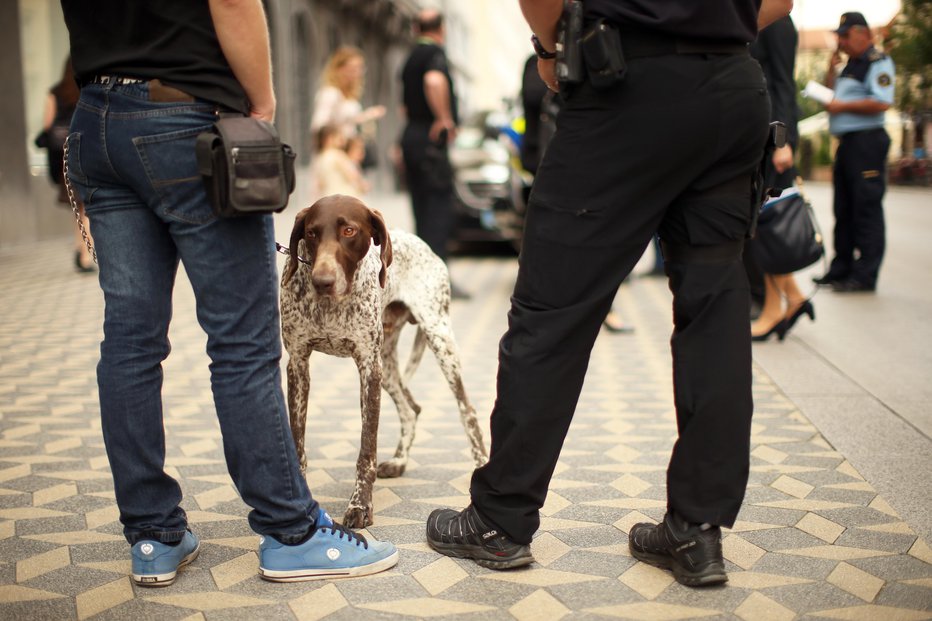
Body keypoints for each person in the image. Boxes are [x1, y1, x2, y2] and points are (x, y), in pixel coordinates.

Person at [425, 0, 792, 587]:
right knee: (716, 308)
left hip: (625, 87)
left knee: (552, 311)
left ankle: (501, 518)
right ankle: (697, 529)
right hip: (731, 91)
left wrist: (549, 49)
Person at [59, 0, 397, 587]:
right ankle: (291, 533)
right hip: (187, 120)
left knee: (130, 343)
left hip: (95, 121)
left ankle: (152, 537)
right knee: (242, 344)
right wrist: (260, 102)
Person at [521, 54, 633, 334]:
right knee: (555, 233)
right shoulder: (537, 61)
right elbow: (533, 101)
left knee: (596, 230)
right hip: (551, 155)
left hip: (591, 151)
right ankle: (557, 306)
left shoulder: (591, 48)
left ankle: (603, 307)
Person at [813, 12, 895, 293]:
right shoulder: (848, 66)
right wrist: (830, 69)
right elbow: (831, 99)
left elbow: (882, 102)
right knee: (844, 208)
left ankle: (865, 275)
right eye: (840, 36)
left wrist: (842, 107)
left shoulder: (878, 62)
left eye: (846, 36)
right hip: (848, 143)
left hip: (867, 142)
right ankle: (841, 269)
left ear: (864, 34)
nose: (842, 41)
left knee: (866, 208)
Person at [746, 15, 815, 341]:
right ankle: (794, 299)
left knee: (768, 226)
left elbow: (784, 82)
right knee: (760, 223)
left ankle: (776, 308)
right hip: (760, 135)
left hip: (775, 140)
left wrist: (784, 141)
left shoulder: (779, 22)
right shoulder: (757, 16)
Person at [399, 9, 468, 299]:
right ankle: (438, 282)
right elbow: (434, 82)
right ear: (442, 30)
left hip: (412, 137)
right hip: (430, 141)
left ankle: (421, 277)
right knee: (439, 210)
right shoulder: (434, 54)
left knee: (421, 210)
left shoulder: (410, 58)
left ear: (416, 29)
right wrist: (444, 118)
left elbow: (404, 104)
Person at [35, 57, 94, 273]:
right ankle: (85, 253)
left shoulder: (56, 92)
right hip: (86, 152)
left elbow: (48, 126)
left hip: (64, 157)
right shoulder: (88, 89)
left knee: (78, 207)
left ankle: (82, 249)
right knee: (86, 206)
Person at [310, 46, 386, 140]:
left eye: (360, 68)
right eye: (352, 68)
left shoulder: (348, 94)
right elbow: (319, 126)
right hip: (338, 149)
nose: (357, 73)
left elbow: (349, 121)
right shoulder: (330, 93)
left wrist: (369, 115)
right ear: (339, 69)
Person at [311, 125, 370, 198]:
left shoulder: (319, 157)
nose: (342, 140)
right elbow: (351, 176)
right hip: (345, 197)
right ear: (329, 138)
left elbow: (319, 184)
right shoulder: (338, 154)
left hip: (327, 197)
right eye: (338, 137)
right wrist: (363, 186)